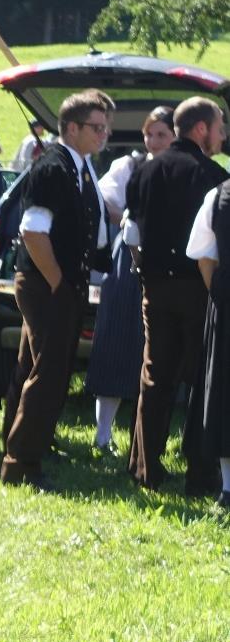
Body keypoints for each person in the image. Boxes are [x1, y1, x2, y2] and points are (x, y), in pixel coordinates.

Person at [0, 90, 112, 488]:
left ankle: (21, 445)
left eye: (105, 128)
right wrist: (59, 283)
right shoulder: (54, 167)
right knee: (48, 374)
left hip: (57, 282)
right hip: (47, 283)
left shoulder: (79, 166)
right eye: (97, 128)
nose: (104, 135)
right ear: (72, 128)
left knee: (32, 368)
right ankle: (21, 463)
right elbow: (32, 231)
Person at [124, 95, 225, 494]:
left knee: (155, 375)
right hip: (196, 286)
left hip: (154, 286)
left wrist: (144, 270)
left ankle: (144, 467)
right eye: (219, 127)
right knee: (202, 377)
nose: (222, 135)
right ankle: (200, 472)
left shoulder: (145, 170)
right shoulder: (212, 176)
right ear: (201, 129)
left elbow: (132, 231)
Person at [84, 106, 175, 452]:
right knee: (117, 342)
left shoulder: (181, 170)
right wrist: (128, 217)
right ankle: (103, 434)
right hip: (127, 260)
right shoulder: (129, 166)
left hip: (168, 262)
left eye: (161, 134)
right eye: (149, 134)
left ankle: (150, 439)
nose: (153, 141)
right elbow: (102, 200)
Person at [187, 173, 230, 509]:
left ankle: (228, 486)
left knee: (224, 391)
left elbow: (203, 255)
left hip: (226, 298)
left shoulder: (218, 196)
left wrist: (217, 290)